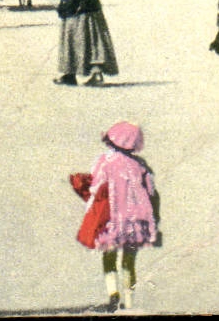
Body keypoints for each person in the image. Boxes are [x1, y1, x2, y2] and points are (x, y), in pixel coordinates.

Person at [78, 121, 159, 312]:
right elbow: (151, 192)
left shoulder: (104, 162)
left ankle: (113, 294)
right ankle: (129, 301)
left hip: (111, 219)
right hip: (135, 220)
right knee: (129, 261)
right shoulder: (140, 166)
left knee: (109, 256)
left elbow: (95, 187)